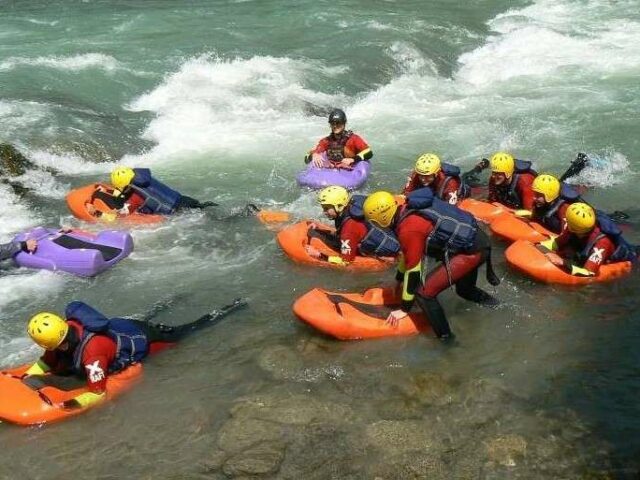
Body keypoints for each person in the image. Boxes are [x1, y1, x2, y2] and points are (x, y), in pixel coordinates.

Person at [24, 298, 245, 409]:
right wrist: (23, 377)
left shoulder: (93, 354)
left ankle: (233, 307)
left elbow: (97, 393)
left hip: (145, 338)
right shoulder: (62, 332)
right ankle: (173, 300)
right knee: (151, 316)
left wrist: (70, 404)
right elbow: (46, 362)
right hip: (120, 326)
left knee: (187, 331)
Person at [363, 189, 499, 340]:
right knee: (464, 291)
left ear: (382, 218)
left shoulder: (408, 228)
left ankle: (447, 340)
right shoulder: (405, 210)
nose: (374, 226)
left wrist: (404, 309)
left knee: (423, 294)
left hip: (471, 251)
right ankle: (497, 306)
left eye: (374, 222)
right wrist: (398, 279)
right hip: (476, 241)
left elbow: (414, 270)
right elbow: (409, 255)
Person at [305, 186, 400, 265]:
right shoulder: (352, 206)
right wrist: (320, 226)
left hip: (388, 255)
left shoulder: (349, 229)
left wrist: (319, 255)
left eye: (326, 208)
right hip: (388, 238)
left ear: (339, 206)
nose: (324, 212)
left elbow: (345, 262)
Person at [539, 203, 637, 276]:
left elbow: (588, 272)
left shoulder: (603, 242)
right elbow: (557, 243)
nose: (565, 222)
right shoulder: (574, 228)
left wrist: (563, 262)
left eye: (568, 221)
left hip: (634, 258)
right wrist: (539, 245)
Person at [90, 167, 216, 217]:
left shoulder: (135, 196)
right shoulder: (145, 179)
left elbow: (119, 216)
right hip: (185, 201)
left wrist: (97, 213)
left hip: (178, 213)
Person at [305, 109, 373, 169]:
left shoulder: (354, 139)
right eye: (332, 123)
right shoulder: (326, 141)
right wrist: (314, 155)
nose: (335, 126)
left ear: (344, 123)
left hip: (350, 170)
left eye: (338, 123)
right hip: (333, 170)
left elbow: (369, 152)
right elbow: (306, 158)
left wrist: (353, 159)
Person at [402, 153, 470, 205]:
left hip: (457, 194)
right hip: (433, 191)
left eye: (428, 176)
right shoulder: (418, 173)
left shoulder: (450, 183)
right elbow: (406, 194)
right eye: (421, 176)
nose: (423, 179)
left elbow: (451, 207)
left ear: (436, 173)